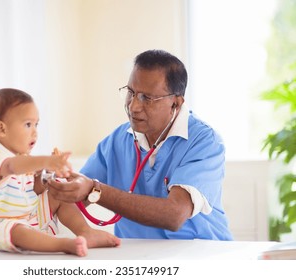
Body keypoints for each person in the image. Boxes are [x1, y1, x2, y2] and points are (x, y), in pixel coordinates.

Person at [47, 50, 233, 240]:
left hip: (200, 255)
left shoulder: (205, 142)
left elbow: (174, 215)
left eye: (147, 98)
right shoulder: (118, 140)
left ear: (175, 103)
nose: (133, 106)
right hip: (137, 257)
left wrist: (96, 190)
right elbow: (74, 196)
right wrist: (42, 179)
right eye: (131, 93)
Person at [0, 88, 120, 257]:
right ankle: (63, 244)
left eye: (36, 124)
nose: (35, 131)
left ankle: (86, 231)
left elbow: (34, 192)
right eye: (28, 124)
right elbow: (13, 167)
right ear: (2, 129)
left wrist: (45, 177)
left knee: (57, 194)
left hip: (27, 218)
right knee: (16, 230)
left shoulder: (23, 158)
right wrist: (45, 161)